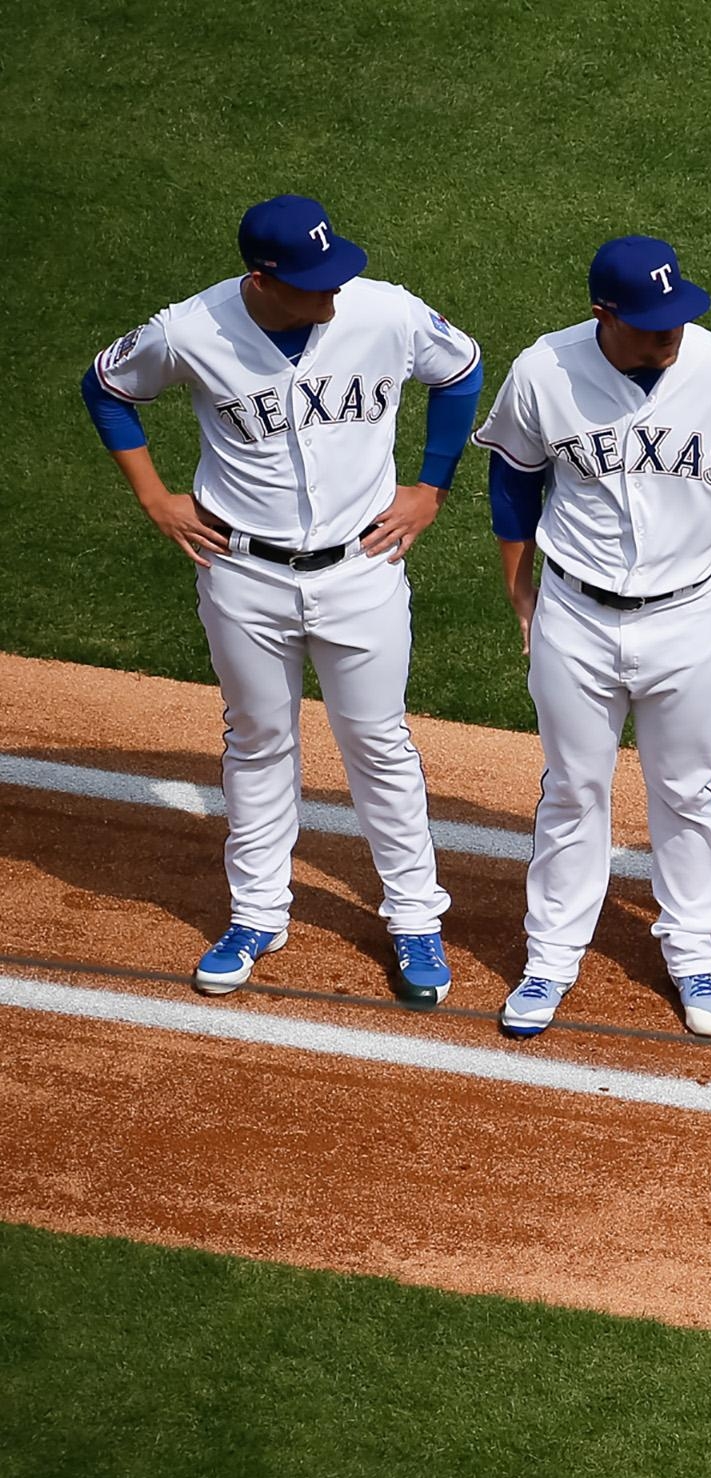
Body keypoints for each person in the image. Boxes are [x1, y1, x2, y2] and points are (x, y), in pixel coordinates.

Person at [85, 195, 480, 1005]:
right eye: (312, 282)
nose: (332, 294)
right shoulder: (189, 331)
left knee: (379, 745)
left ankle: (413, 917)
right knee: (258, 738)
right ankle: (258, 912)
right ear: (262, 279)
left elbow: (461, 370)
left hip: (361, 569)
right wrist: (155, 497)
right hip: (242, 572)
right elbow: (105, 387)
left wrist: (430, 487)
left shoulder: (385, 313)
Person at [475, 235, 711, 1039]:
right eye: (651, 323)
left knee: (686, 791)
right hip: (575, 614)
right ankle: (551, 954)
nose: (670, 336)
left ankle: (693, 948)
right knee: (571, 787)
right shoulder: (544, 371)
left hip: (690, 614)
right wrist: (520, 592)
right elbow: (512, 483)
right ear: (603, 315)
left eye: (677, 319)